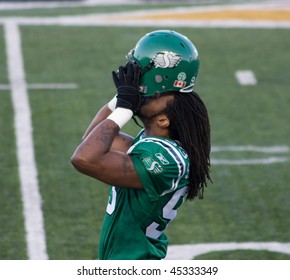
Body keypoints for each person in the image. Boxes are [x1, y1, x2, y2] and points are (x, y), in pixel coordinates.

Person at [71, 30, 212, 260]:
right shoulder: (150, 144)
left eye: (156, 94)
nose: (145, 93)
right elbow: (91, 139)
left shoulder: (166, 159)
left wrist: (125, 108)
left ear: (164, 120)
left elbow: (85, 158)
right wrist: (119, 99)